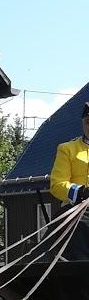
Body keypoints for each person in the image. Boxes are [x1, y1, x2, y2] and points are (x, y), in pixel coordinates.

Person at [49, 102, 89, 259]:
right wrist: (81, 192)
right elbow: (57, 184)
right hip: (77, 207)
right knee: (78, 224)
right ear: (83, 123)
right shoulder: (67, 149)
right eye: (88, 122)